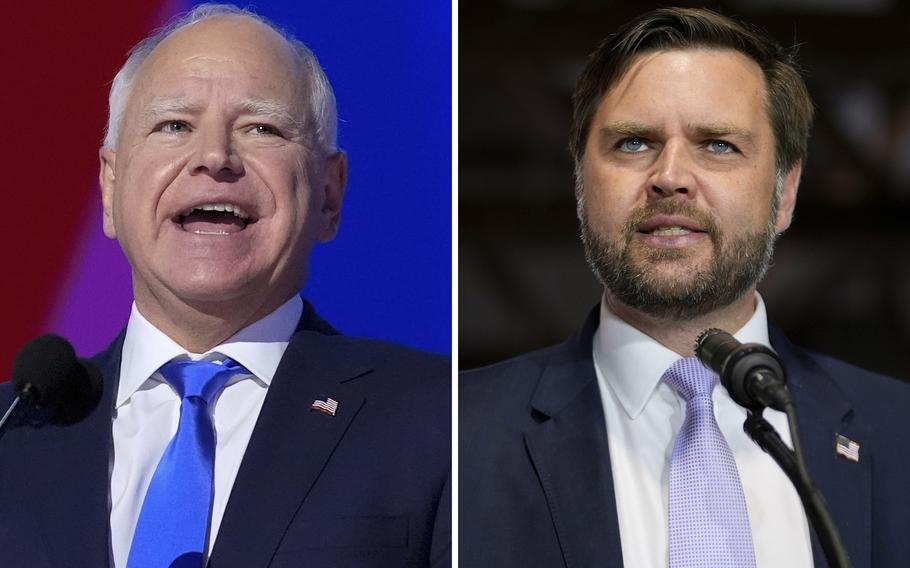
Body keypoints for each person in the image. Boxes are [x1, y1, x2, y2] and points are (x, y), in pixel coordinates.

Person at [0, 5, 450, 568]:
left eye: (261, 128)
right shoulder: (13, 431)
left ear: (329, 196)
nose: (214, 157)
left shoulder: (441, 420)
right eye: (174, 126)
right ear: (110, 187)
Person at [460, 7, 910, 568]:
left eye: (718, 145)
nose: (669, 176)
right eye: (633, 143)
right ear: (581, 183)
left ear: (786, 192)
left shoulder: (898, 433)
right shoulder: (454, 437)